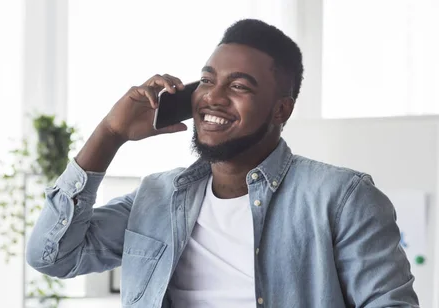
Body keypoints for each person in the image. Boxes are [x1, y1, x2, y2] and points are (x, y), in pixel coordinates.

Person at [26, 19, 419, 308]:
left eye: (239, 86)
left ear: (282, 109)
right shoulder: (156, 196)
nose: (213, 97)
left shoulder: (342, 198)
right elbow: (53, 256)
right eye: (208, 80)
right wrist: (110, 134)